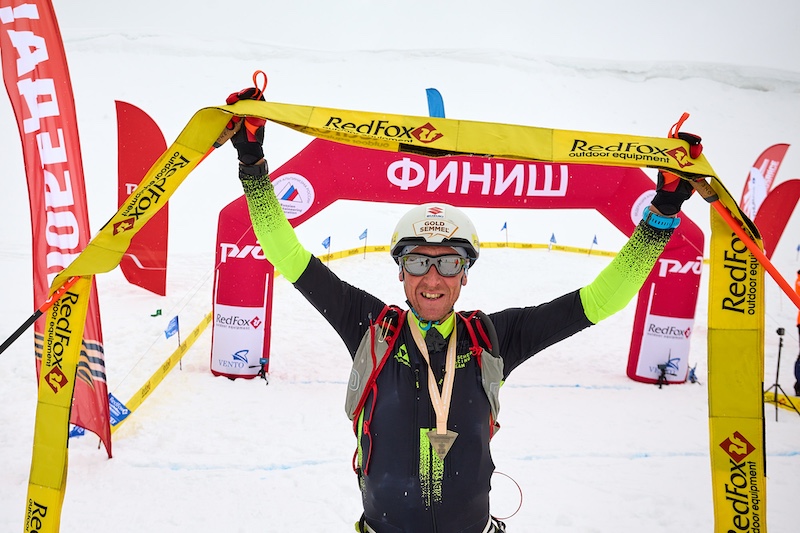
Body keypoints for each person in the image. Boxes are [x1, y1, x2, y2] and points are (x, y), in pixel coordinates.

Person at [223, 87, 698, 532]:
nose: (432, 279)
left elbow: (601, 300)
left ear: (465, 274)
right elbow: (287, 255)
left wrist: (663, 213)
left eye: (449, 263)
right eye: (417, 262)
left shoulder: (492, 338)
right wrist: (252, 165)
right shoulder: (371, 327)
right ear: (401, 272)